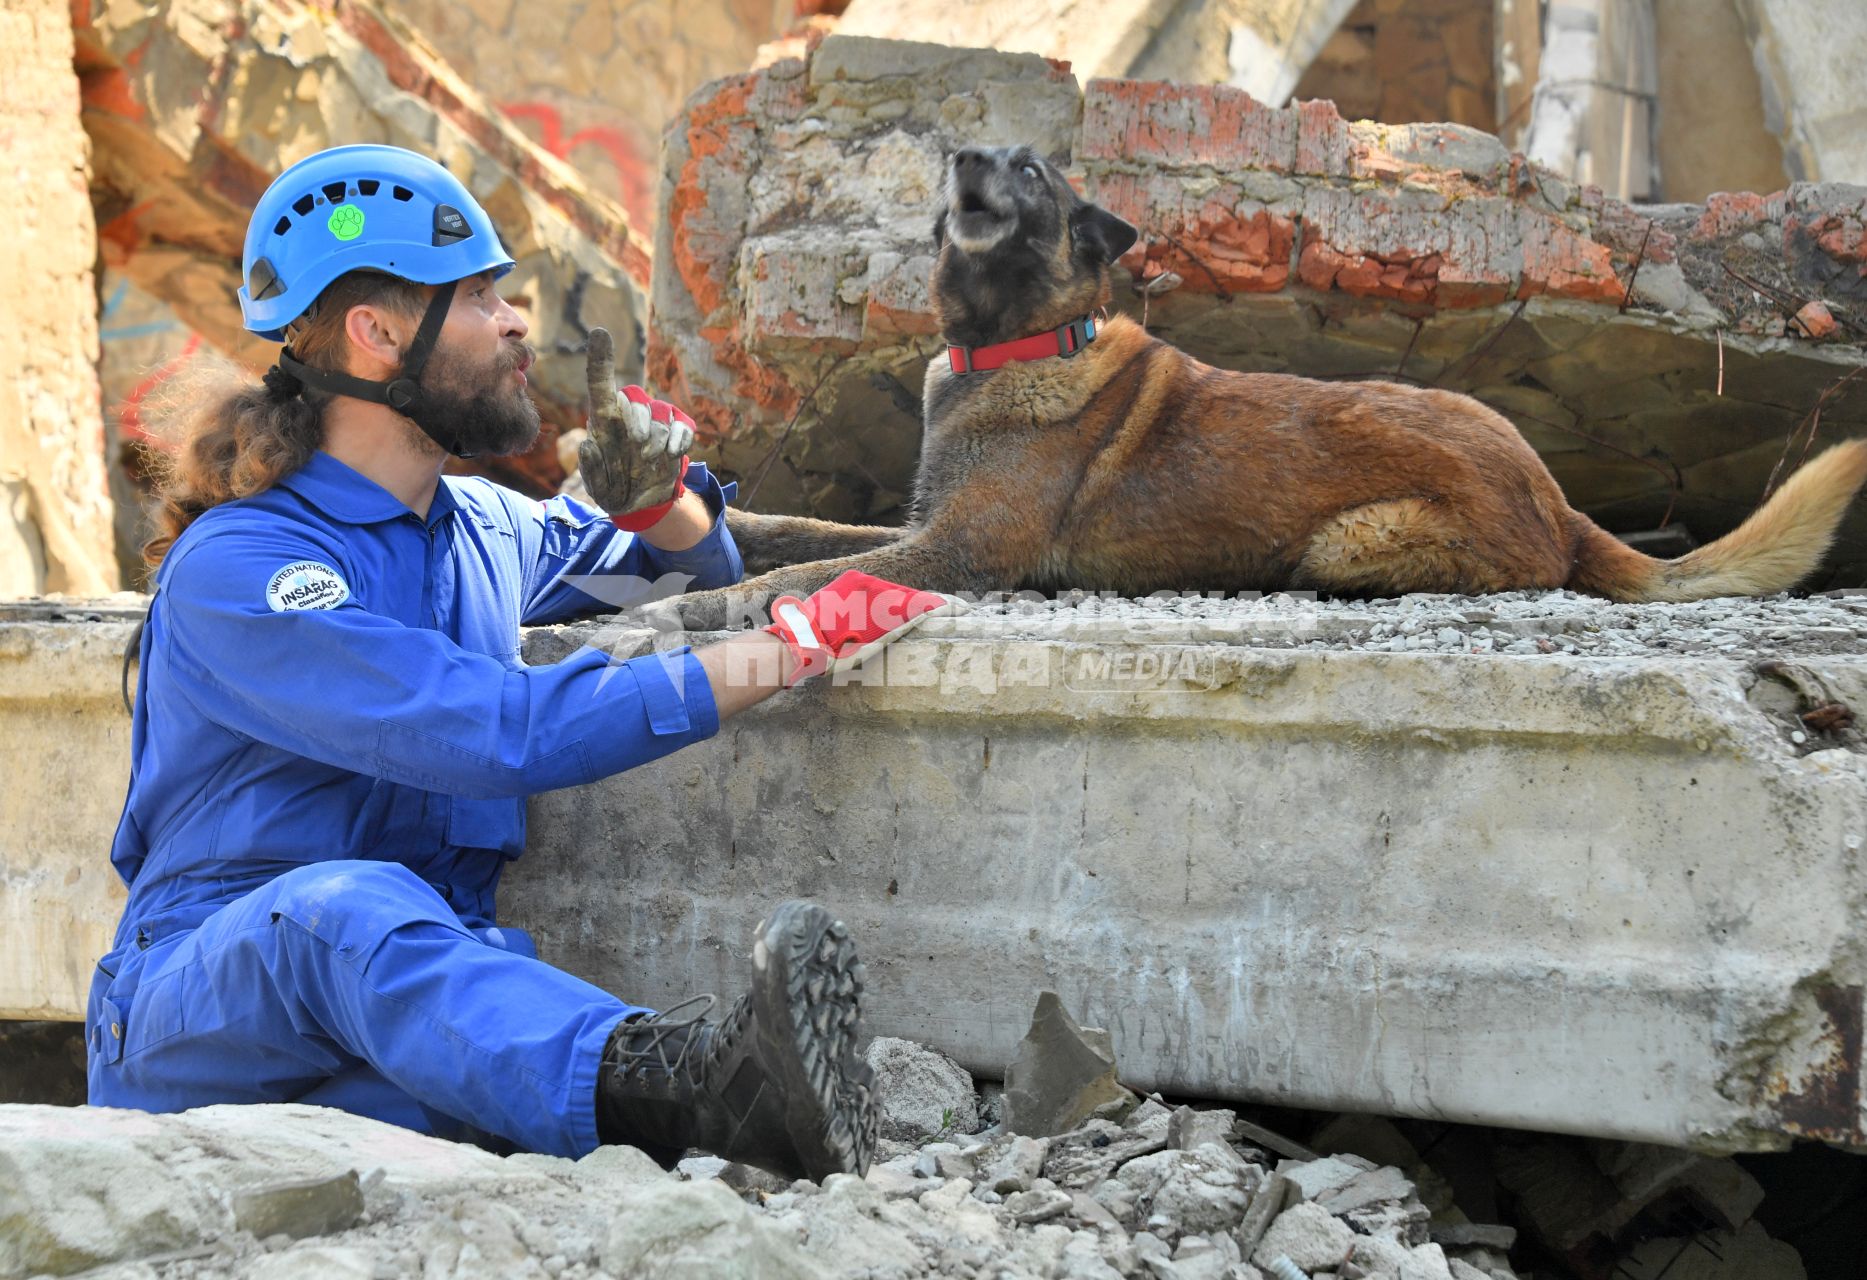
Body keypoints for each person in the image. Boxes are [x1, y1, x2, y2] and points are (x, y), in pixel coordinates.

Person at [86, 143, 953, 1179]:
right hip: (209, 1011)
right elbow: (492, 727)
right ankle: (705, 1080)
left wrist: (652, 497)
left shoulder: (487, 527)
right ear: (377, 333)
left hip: (408, 1015)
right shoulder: (248, 566)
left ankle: (663, 1095)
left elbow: (677, 572)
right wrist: (788, 648)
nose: (514, 322)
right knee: (332, 911)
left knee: (459, 1104)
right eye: (483, 295)